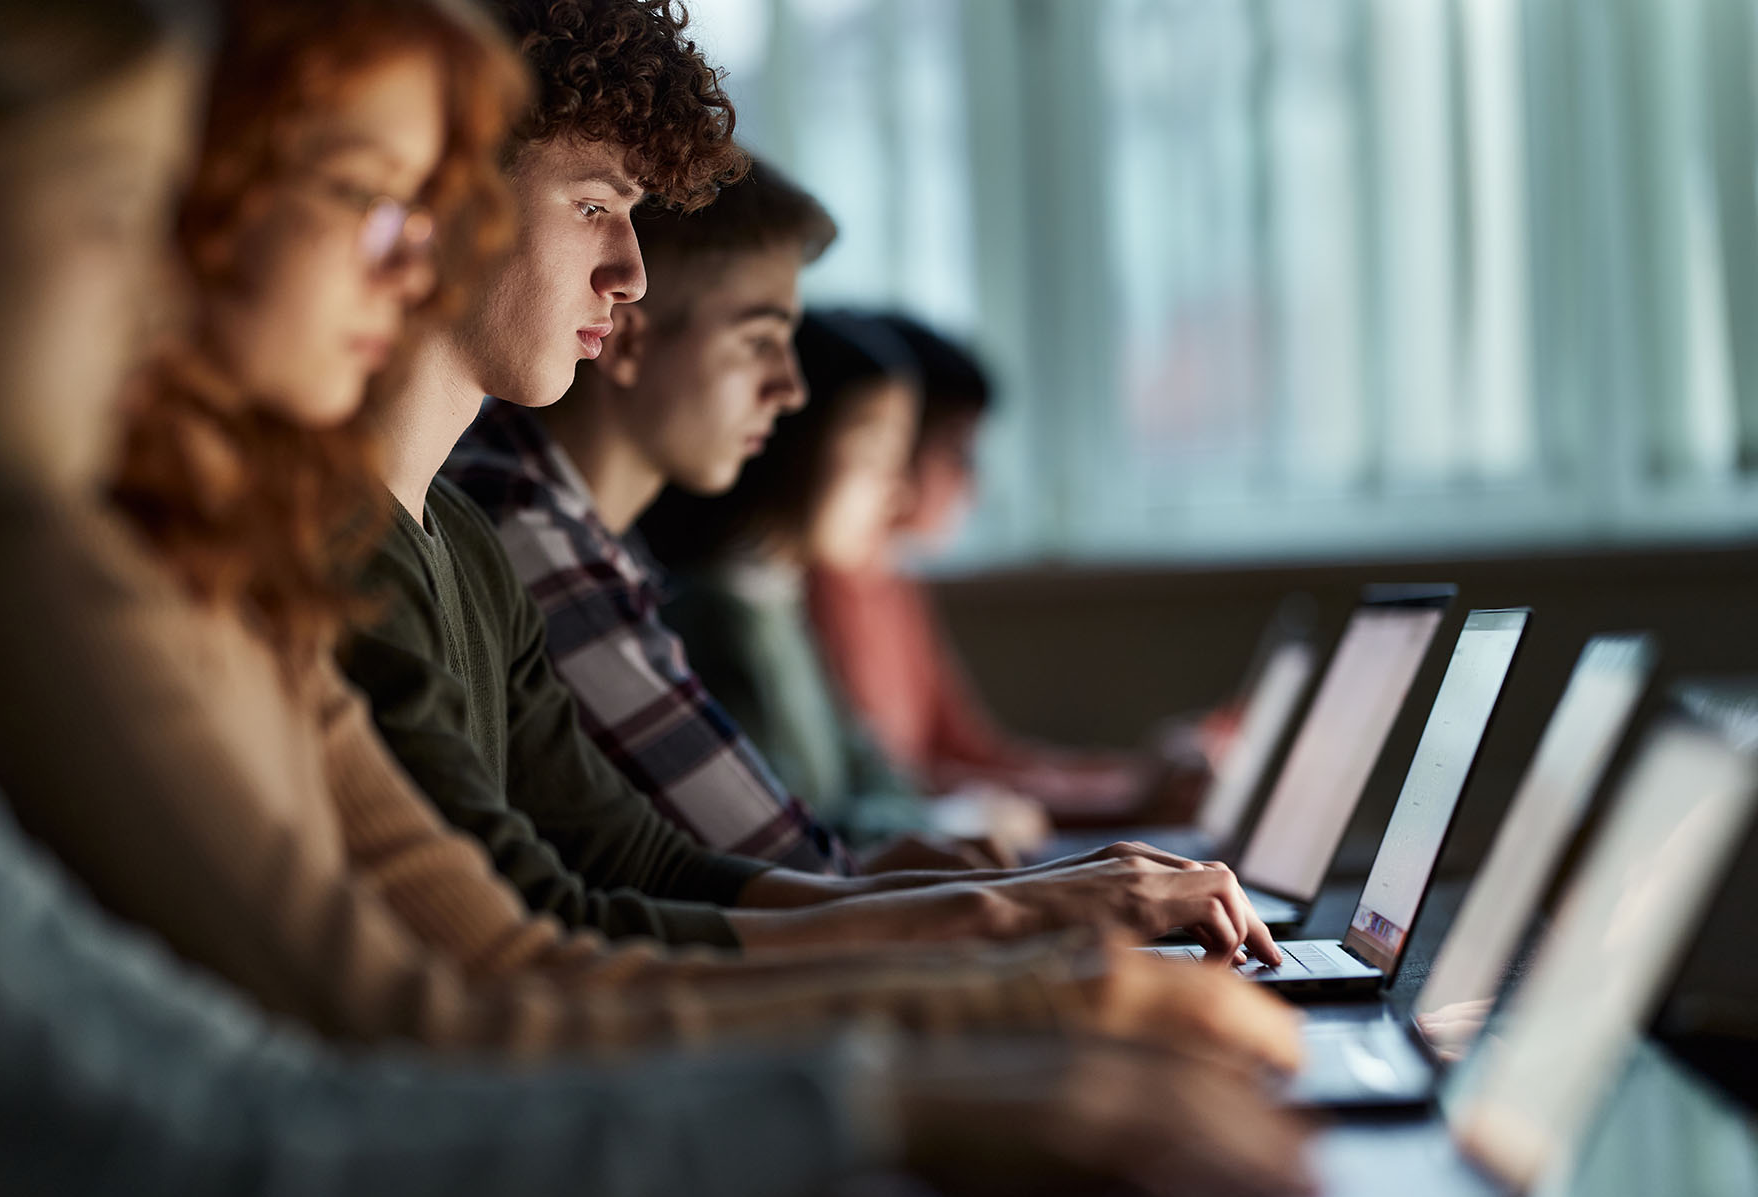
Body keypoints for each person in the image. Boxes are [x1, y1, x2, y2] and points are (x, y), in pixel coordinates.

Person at [0, 3, 1317, 1196]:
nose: (416, 257)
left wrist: (1009, 980)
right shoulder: (73, 572)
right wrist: (967, 1027)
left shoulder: (312, 561)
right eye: (120, 211)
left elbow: (533, 940)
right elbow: (406, 1021)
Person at [349, 0, 1286, 962]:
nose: (631, 275)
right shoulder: (383, 538)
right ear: (450, 198)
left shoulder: (462, 536)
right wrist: (1005, 915)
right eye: (594, 208)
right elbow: (537, 931)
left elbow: (644, 861)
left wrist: (1034, 896)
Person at [446, 157, 1018, 873]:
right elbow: (787, 867)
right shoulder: (525, 523)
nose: (790, 390)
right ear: (627, 340)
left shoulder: (599, 542)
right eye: (757, 341)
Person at [637, 310, 1043, 857]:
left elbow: (881, 777)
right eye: (872, 455)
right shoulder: (714, 613)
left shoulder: (780, 598)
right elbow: (781, 830)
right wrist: (928, 826)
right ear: (788, 443)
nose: (896, 491)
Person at [806, 313, 1194, 822]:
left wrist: (1128, 779)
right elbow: (904, 784)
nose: (972, 482)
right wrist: (1120, 798)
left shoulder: (891, 581)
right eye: (956, 452)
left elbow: (967, 752)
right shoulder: (813, 592)